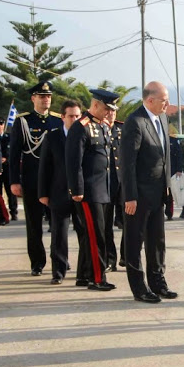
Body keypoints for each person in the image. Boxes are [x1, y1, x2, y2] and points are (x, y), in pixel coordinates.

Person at [121, 81, 177, 303]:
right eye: (164, 100)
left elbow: (164, 158)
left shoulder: (161, 119)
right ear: (150, 100)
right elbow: (127, 164)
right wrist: (130, 196)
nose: (167, 104)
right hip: (138, 195)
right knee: (135, 242)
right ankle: (139, 288)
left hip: (158, 193)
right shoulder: (135, 122)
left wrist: (167, 188)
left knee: (157, 241)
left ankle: (158, 282)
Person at [66, 89, 118, 292]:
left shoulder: (102, 126)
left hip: (103, 191)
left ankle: (84, 275)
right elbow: (73, 162)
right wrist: (76, 189)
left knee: (98, 234)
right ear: (95, 105)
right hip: (88, 192)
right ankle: (98, 278)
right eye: (106, 108)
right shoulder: (81, 127)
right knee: (95, 236)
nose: (108, 113)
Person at [10, 81, 63, 276]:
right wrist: (14, 181)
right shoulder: (23, 122)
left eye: (48, 96)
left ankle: (59, 260)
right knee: (33, 224)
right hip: (32, 179)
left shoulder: (58, 121)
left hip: (54, 179)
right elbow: (14, 154)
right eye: (42, 96)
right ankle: (37, 262)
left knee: (58, 223)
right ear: (33, 98)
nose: (46, 99)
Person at [38, 100, 84, 285]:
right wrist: (43, 193)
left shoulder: (86, 135)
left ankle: (85, 271)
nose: (75, 119)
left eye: (78, 116)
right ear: (63, 117)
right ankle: (58, 271)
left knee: (84, 233)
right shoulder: (53, 137)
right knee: (58, 234)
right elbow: (45, 167)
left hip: (81, 194)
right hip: (58, 193)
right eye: (71, 116)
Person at [104, 108, 124, 272]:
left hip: (123, 183)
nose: (111, 114)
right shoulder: (97, 130)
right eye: (108, 111)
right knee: (106, 224)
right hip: (105, 184)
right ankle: (110, 259)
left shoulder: (122, 130)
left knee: (128, 222)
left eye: (113, 111)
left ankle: (126, 256)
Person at [0, 117, 17, 221]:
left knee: (10, 191)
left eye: (1, 124)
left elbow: (14, 152)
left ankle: (13, 212)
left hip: (7, 168)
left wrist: (6, 158)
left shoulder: (9, 137)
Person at [165, 131, 184, 220]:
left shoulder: (173, 141)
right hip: (158, 171)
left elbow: (179, 156)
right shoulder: (156, 138)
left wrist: (179, 170)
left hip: (171, 171)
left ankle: (169, 213)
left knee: (170, 193)